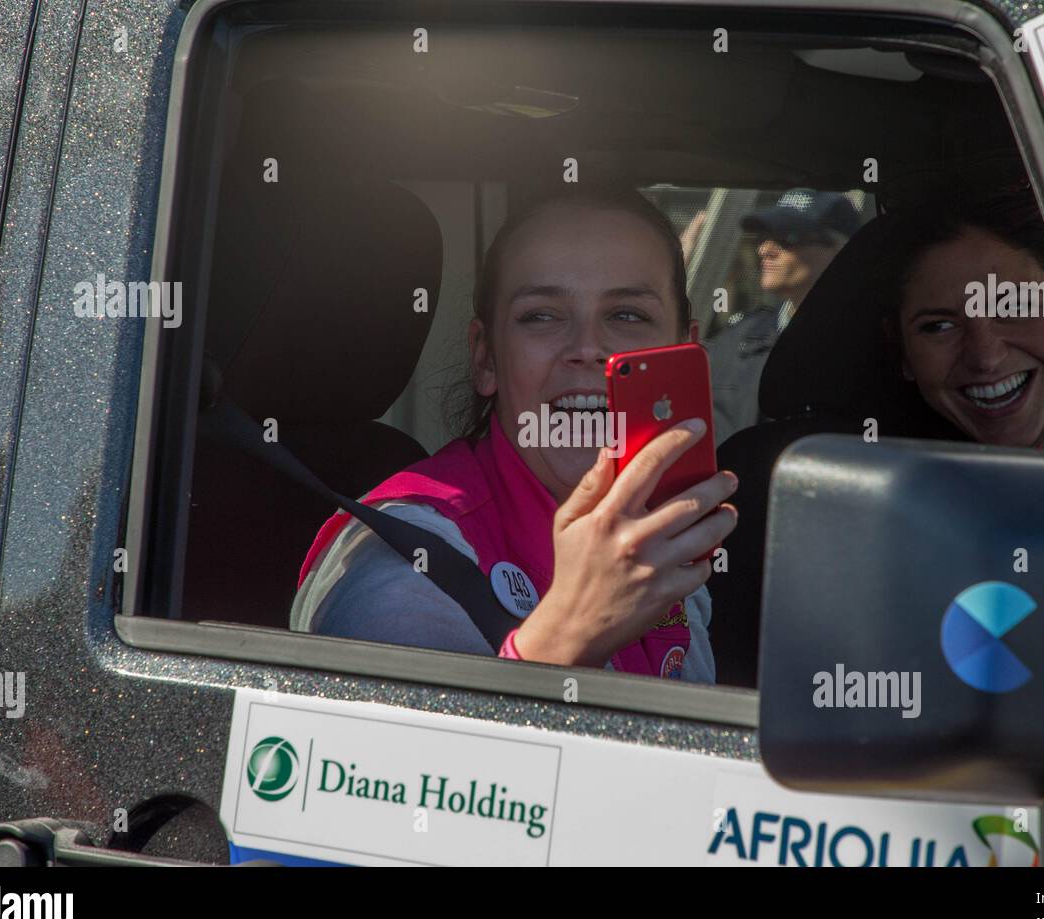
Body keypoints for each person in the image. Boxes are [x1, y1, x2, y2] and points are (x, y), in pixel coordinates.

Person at [291, 186, 739, 681]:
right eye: (542, 316)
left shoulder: (666, 537)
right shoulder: (405, 569)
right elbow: (414, 759)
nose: (588, 348)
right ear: (486, 359)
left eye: (626, 315)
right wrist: (566, 638)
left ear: (686, 352)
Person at [875, 193, 1044, 457]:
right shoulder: (877, 491)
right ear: (902, 351)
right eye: (939, 326)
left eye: (1014, 306)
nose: (985, 358)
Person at [705, 188, 861, 442]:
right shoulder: (735, 340)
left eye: (788, 236)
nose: (765, 249)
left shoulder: (875, 348)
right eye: (764, 237)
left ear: (843, 250)